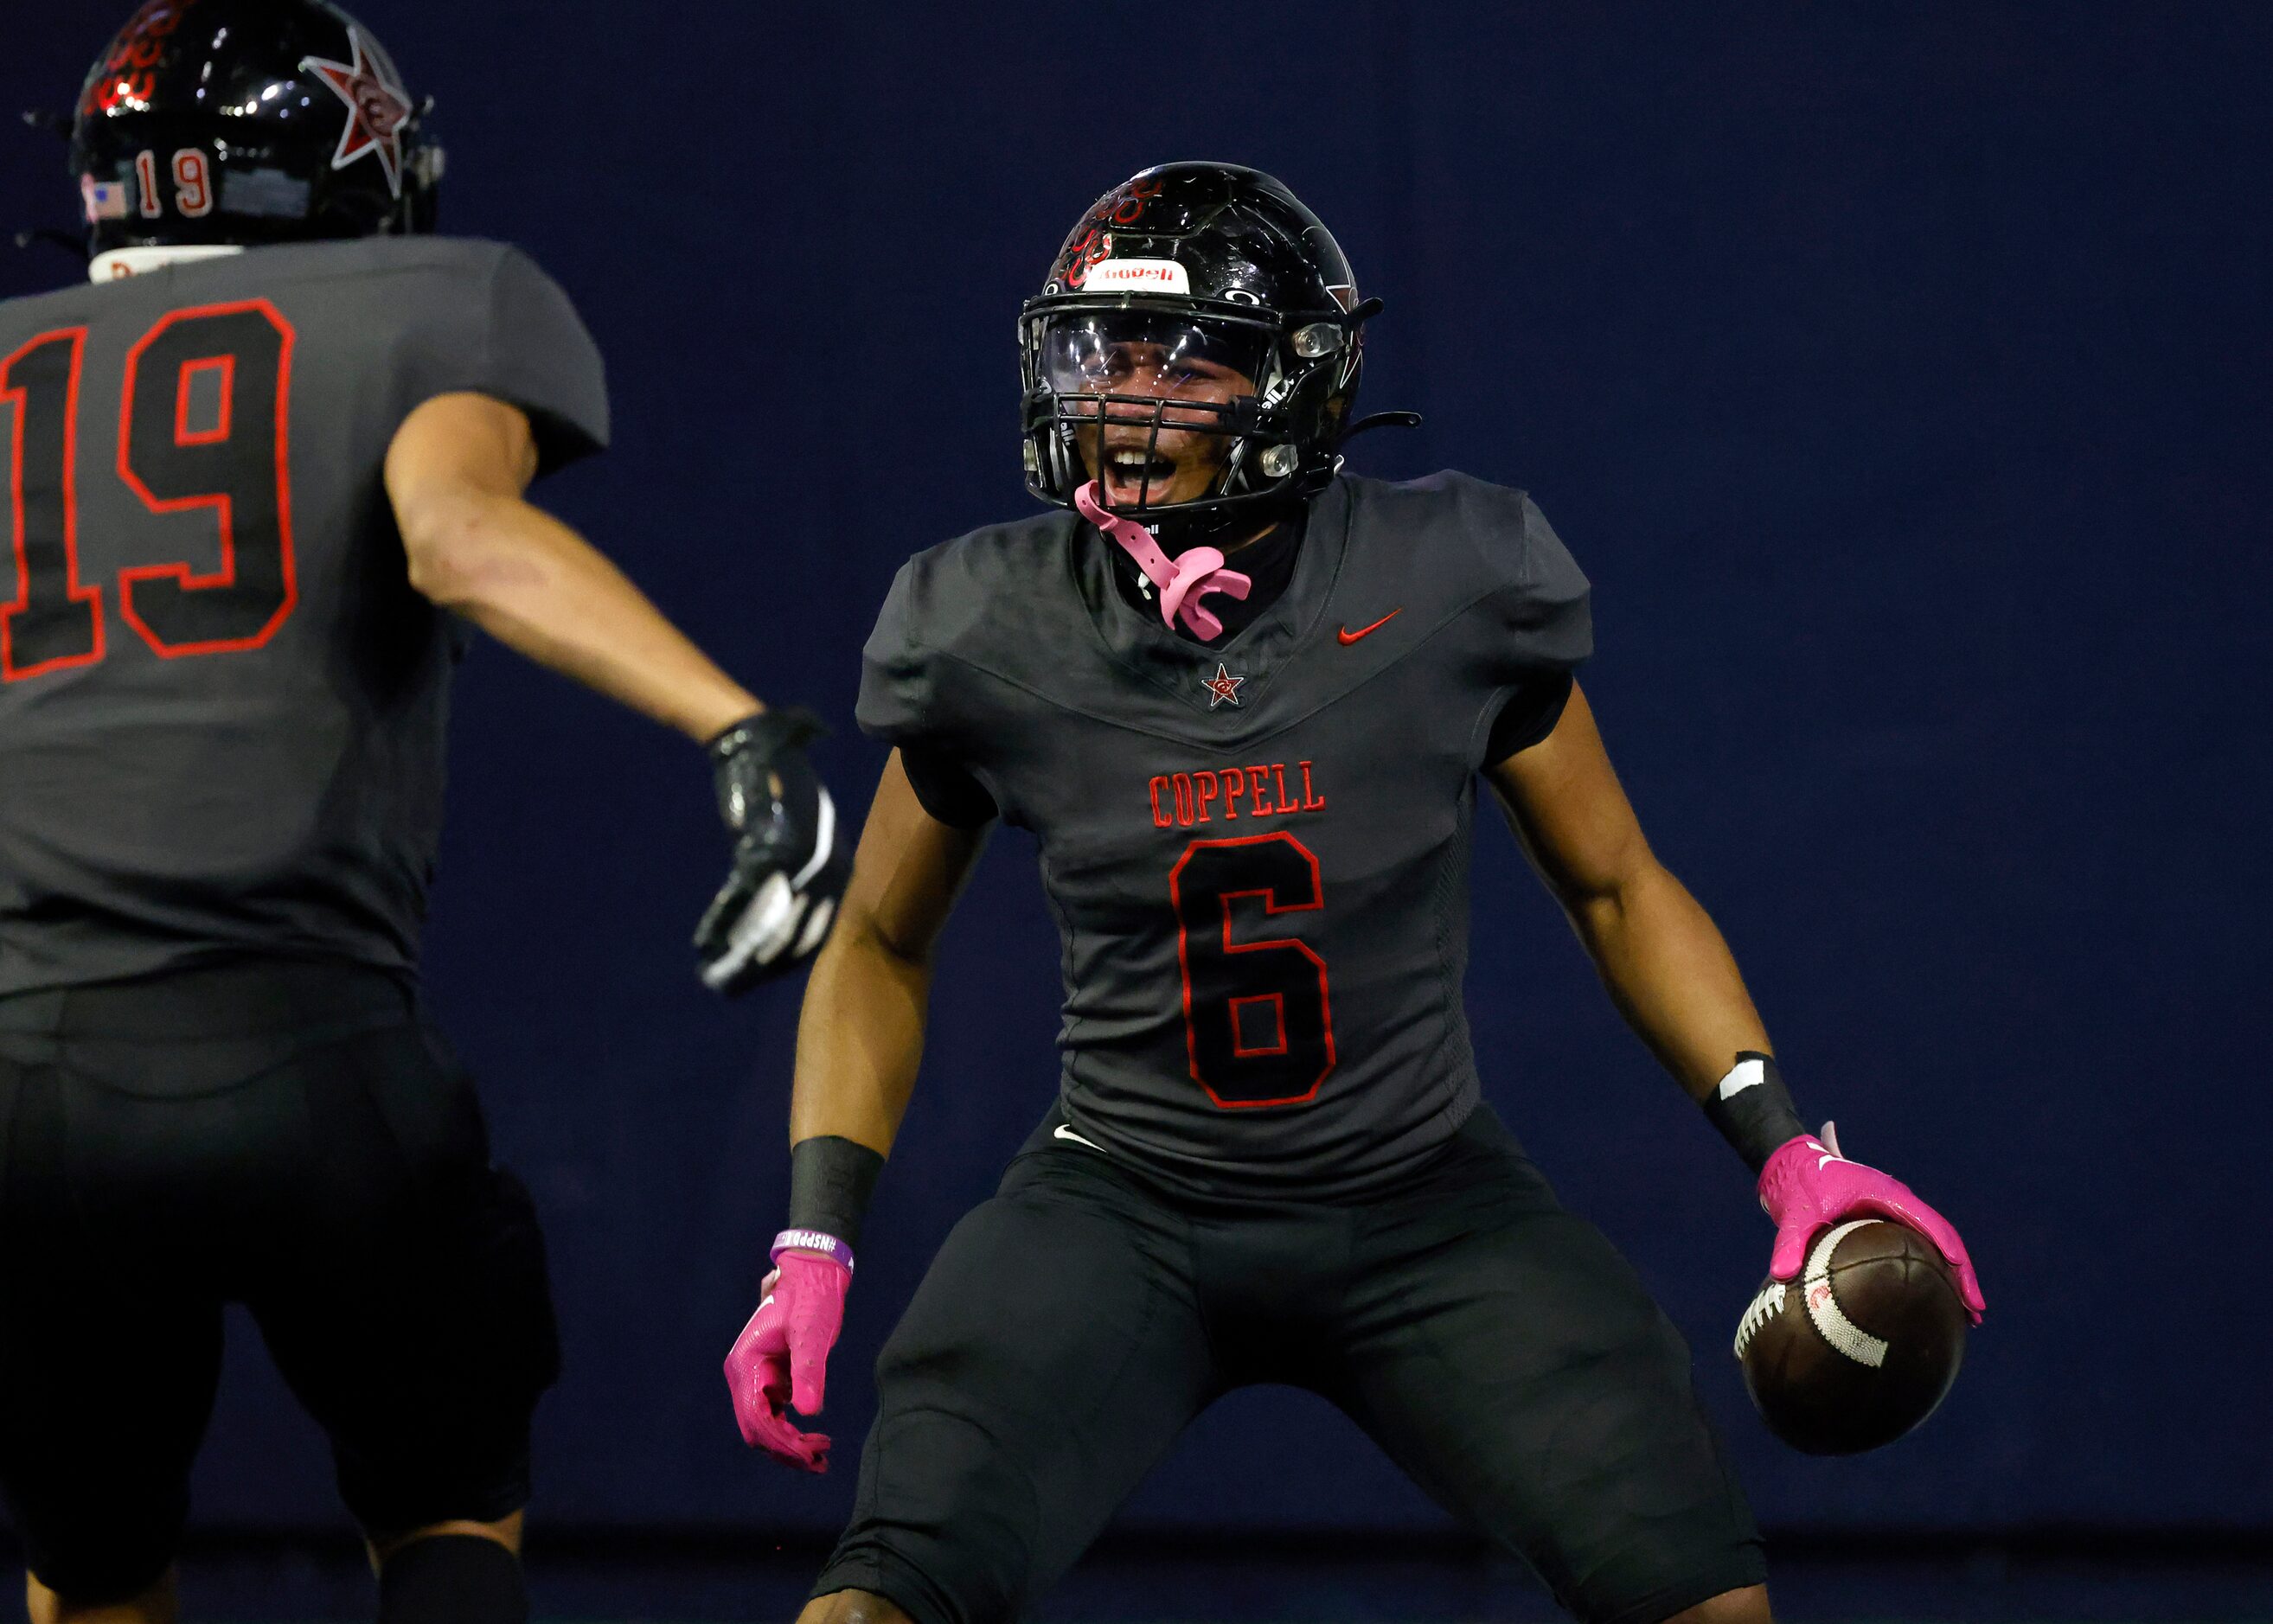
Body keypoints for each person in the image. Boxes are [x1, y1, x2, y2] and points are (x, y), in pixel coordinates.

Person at [725, 163, 1985, 1624]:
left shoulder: (1450, 583)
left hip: (1420, 1195)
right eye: (1107, 352)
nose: (1125, 396)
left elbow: (1618, 885)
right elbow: (878, 936)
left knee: (1704, 1593)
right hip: (1124, 1196)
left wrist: (1785, 1151)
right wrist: (812, 1236)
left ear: (1291, 386)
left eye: (1180, 358)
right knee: (879, 1596)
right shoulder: (990, 625)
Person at [0, 3, 847, 1621]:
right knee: (447, 1504)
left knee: (90, 1563)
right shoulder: (438, 302)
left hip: (23, 1078)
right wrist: (734, 727)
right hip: (307, 1052)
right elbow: (456, 534)